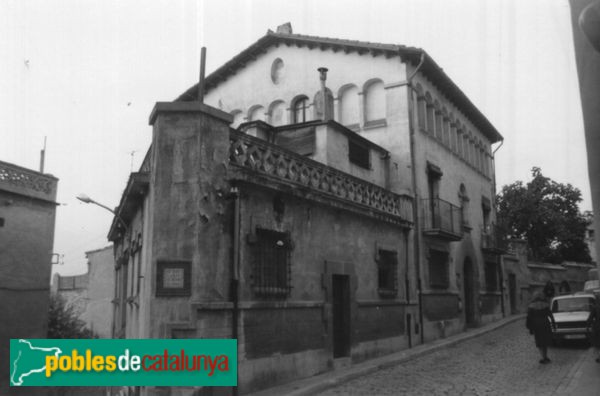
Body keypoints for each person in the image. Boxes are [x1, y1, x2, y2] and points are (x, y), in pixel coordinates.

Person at [526, 291, 555, 364]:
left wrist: (529, 327)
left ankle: (543, 358)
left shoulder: (531, 306)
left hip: (537, 325)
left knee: (539, 342)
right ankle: (545, 356)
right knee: (545, 341)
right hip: (545, 324)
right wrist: (553, 323)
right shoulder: (546, 305)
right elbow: (550, 315)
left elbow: (529, 317)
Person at [588, 296, 600, 363]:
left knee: (598, 343)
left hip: (597, 327)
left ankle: (599, 356)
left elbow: (590, 318)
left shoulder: (595, 308)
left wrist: (588, 326)